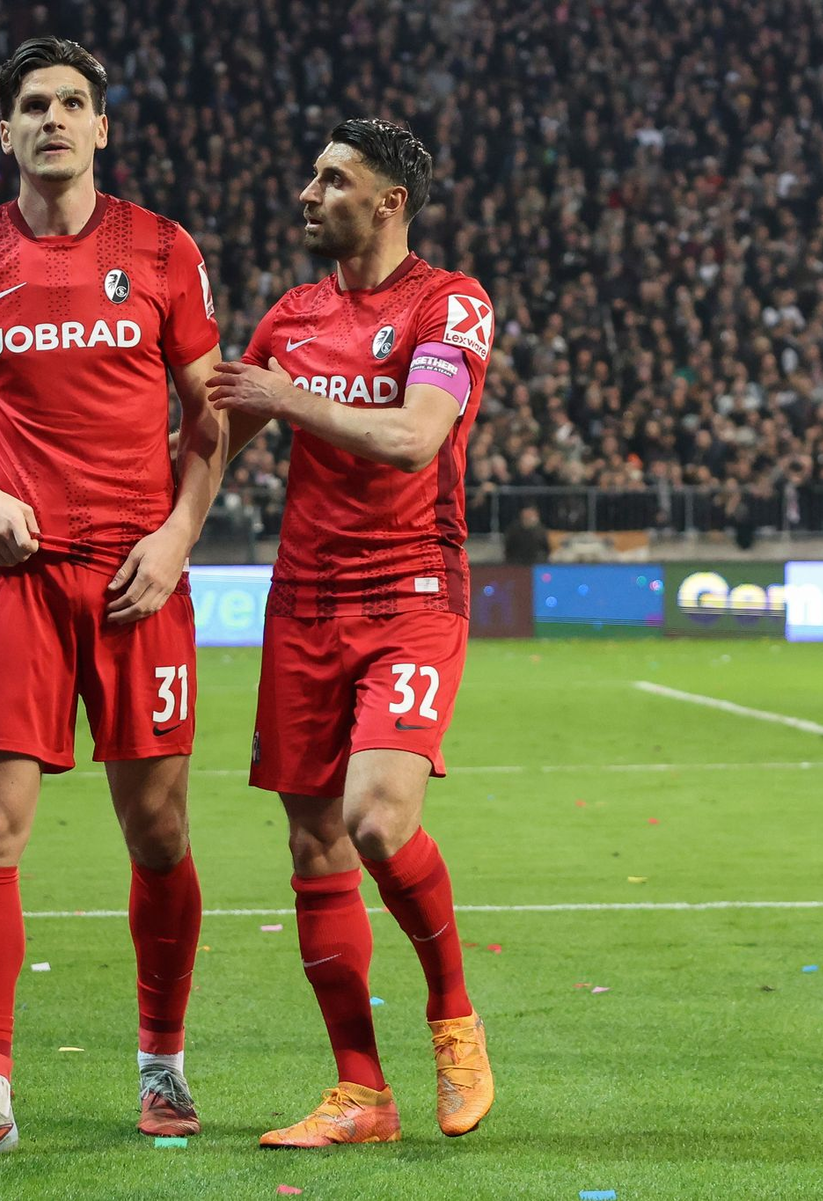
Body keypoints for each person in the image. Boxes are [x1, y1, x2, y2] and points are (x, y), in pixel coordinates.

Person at [207, 118, 494, 1148]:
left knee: (377, 816)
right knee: (313, 839)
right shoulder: (290, 317)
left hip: (413, 590)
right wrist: (162, 536)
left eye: (333, 179)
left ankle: (453, 1015)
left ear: (390, 202)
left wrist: (288, 397)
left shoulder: (449, 301)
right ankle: (361, 1093)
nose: (307, 192)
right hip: (304, 604)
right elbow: (213, 440)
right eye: (311, 175)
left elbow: (418, 436)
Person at [0, 38, 225, 1144]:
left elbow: (209, 416)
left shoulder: (163, 250)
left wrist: (180, 536)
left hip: (140, 579)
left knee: (159, 834)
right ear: (6, 132)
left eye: (73, 103)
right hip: (18, 579)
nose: (53, 117)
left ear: (102, 128)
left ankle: (163, 1061)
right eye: (34, 103)